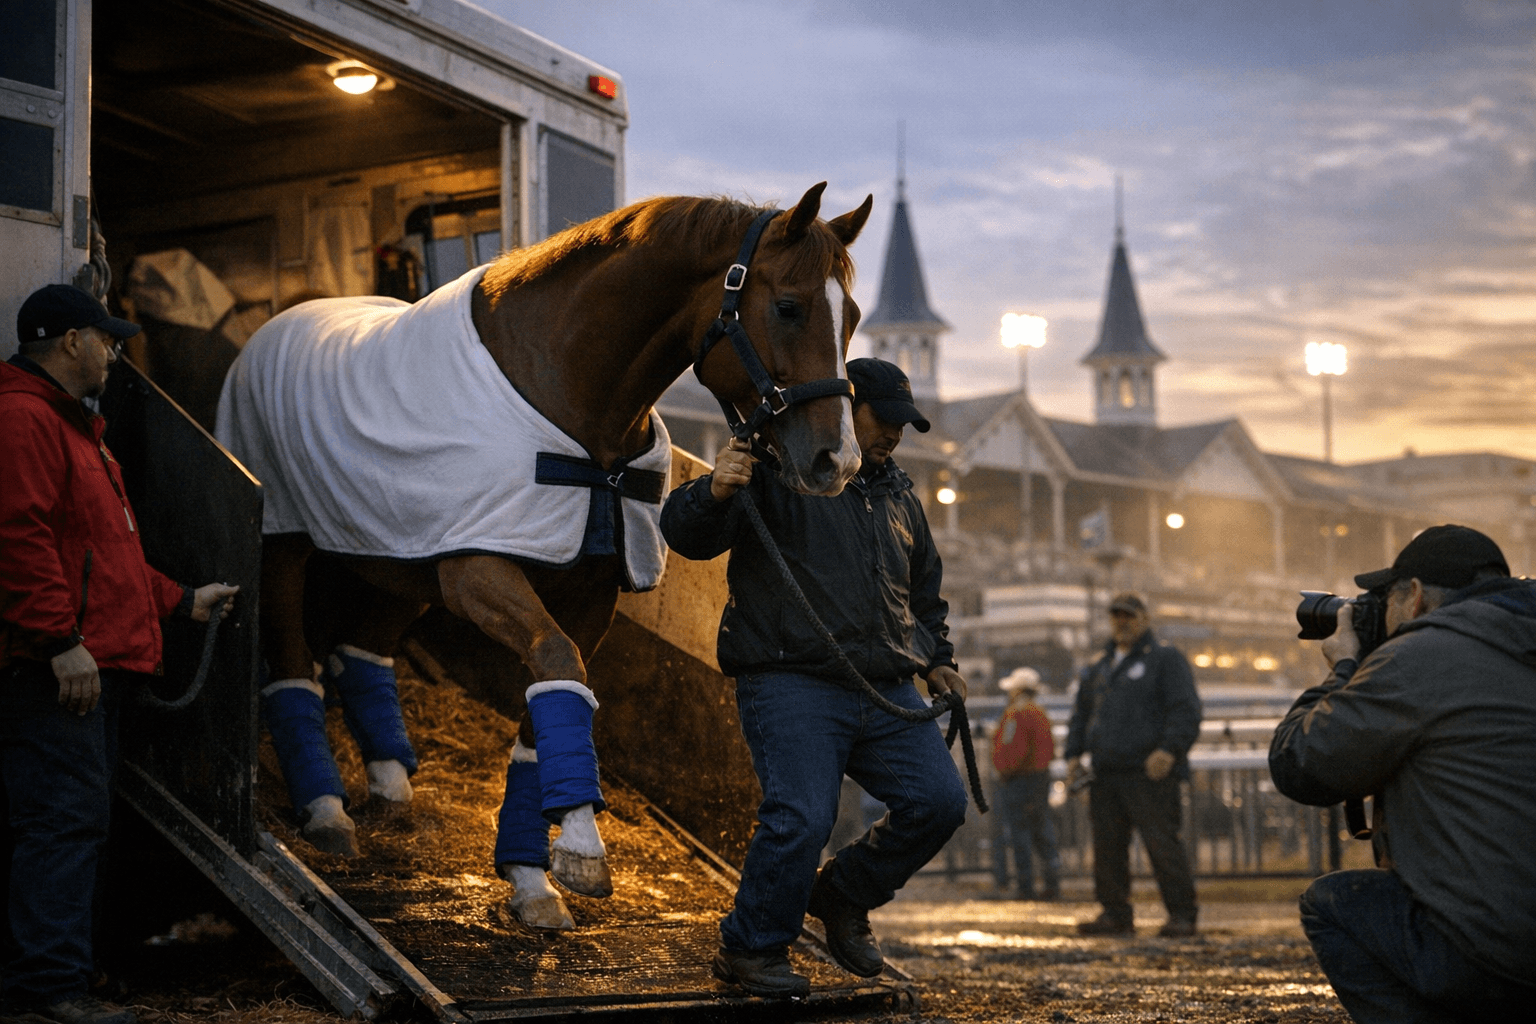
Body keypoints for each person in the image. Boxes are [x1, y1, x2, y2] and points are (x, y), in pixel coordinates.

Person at [661, 357, 968, 999]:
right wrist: (713, 490)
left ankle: (840, 895)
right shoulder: (777, 469)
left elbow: (925, 596)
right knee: (801, 815)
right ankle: (751, 948)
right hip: (791, 679)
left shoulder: (901, 496)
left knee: (939, 802)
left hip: (883, 684)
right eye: (881, 419)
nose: (892, 434)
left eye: (902, 425)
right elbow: (685, 536)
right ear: (845, 409)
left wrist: (939, 659)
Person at [1, 284, 239, 1024]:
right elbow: (17, 538)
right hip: (57, 670)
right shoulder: (22, 419)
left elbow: (103, 554)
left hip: (90, 663)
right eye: (105, 339)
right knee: (62, 822)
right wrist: (59, 642)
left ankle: (65, 967)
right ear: (71, 342)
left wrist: (180, 600)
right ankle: (48, 988)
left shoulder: (74, 429)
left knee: (78, 821)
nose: (114, 352)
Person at [1269, 525, 1536, 1023]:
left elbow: (1300, 763)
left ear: (1413, 597)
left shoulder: (1420, 657)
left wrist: (1345, 668)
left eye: (1383, 600)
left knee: (1334, 904)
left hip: (1499, 953)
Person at [1065, 592, 1201, 938]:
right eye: (1116, 616)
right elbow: (1080, 714)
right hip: (1106, 772)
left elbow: (1185, 710)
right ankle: (1114, 912)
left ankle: (1182, 915)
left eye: (1128, 615)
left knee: (1162, 844)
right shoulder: (1099, 667)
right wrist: (1072, 756)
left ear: (1144, 618)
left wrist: (1169, 751)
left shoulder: (1165, 659)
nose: (1122, 622)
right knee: (1107, 847)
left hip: (1149, 772)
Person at [990, 668, 1061, 900]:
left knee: (1020, 834)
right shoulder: (1040, 713)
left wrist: (1004, 770)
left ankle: (1025, 886)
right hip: (1039, 779)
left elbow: (1013, 750)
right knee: (1043, 832)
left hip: (1020, 781)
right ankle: (1052, 884)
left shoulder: (1016, 714)